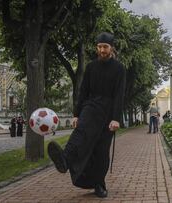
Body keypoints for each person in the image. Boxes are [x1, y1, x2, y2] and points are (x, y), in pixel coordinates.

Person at [47, 32, 126, 198]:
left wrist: (116, 118)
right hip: (90, 107)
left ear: (111, 48)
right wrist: (76, 114)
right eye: (99, 47)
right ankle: (65, 160)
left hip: (108, 112)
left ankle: (99, 184)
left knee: (101, 151)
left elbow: (119, 94)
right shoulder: (91, 67)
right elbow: (83, 91)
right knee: (80, 134)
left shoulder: (119, 69)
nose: (102, 50)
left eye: (105, 47)